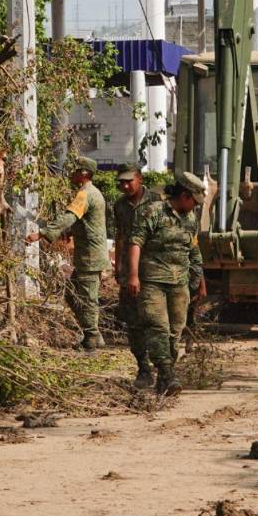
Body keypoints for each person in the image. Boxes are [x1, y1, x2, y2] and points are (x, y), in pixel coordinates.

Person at [126, 172, 207, 396]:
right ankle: (168, 373)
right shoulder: (153, 211)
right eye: (193, 201)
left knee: (175, 331)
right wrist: (133, 275)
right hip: (153, 282)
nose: (194, 207)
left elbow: (194, 250)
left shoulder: (190, 219)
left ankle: (164, 376)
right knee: (157, 327)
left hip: (179, 283)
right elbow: (135, 243)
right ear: (183, 195)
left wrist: (200, 281)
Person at [27, 157, 108, 350]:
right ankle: (94, 335)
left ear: (84, 174)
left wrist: (42, 233)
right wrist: (70, 232)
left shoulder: (85, 194)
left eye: (74, 170)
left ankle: (91, 340)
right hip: (86, 256)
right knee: (72, 294)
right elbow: (85, 222)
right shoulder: (90, 193)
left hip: (90, 257)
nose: (71, 173)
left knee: (87, 299)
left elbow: (69, 216)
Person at [112, 163, 161, 387]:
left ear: (139, 178)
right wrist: (118, 266)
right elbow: (120, 236)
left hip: (154, 269)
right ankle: (143, 368)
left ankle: (164, 367)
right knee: (133, 322)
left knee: (157, 320)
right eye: (121, 182)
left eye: (128, 181)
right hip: (129, 272)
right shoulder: (120, 206)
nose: (124, 185)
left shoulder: (158, 201)